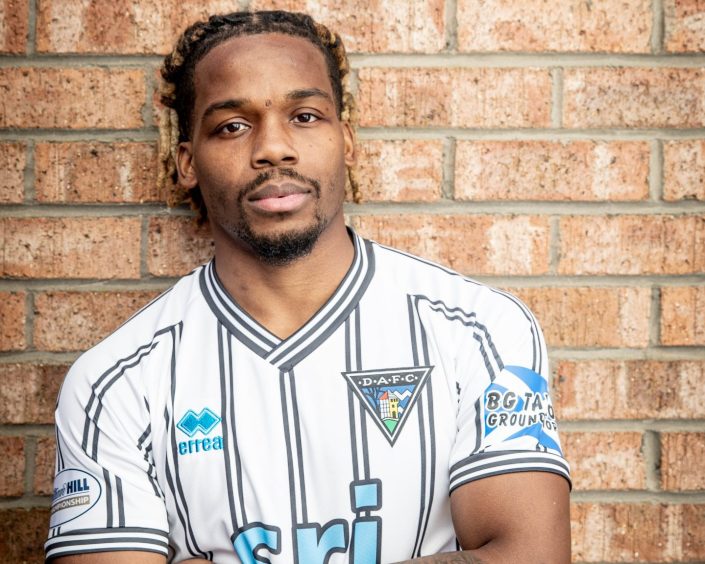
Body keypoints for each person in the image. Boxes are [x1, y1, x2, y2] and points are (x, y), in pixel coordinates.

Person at [45, 10, 571, 564]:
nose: (273, 148)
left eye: (304, 115)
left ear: (346, 140)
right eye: (232, 125)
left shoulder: (478, 330)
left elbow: (528, 554)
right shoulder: (114, 383)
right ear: (186, 162)